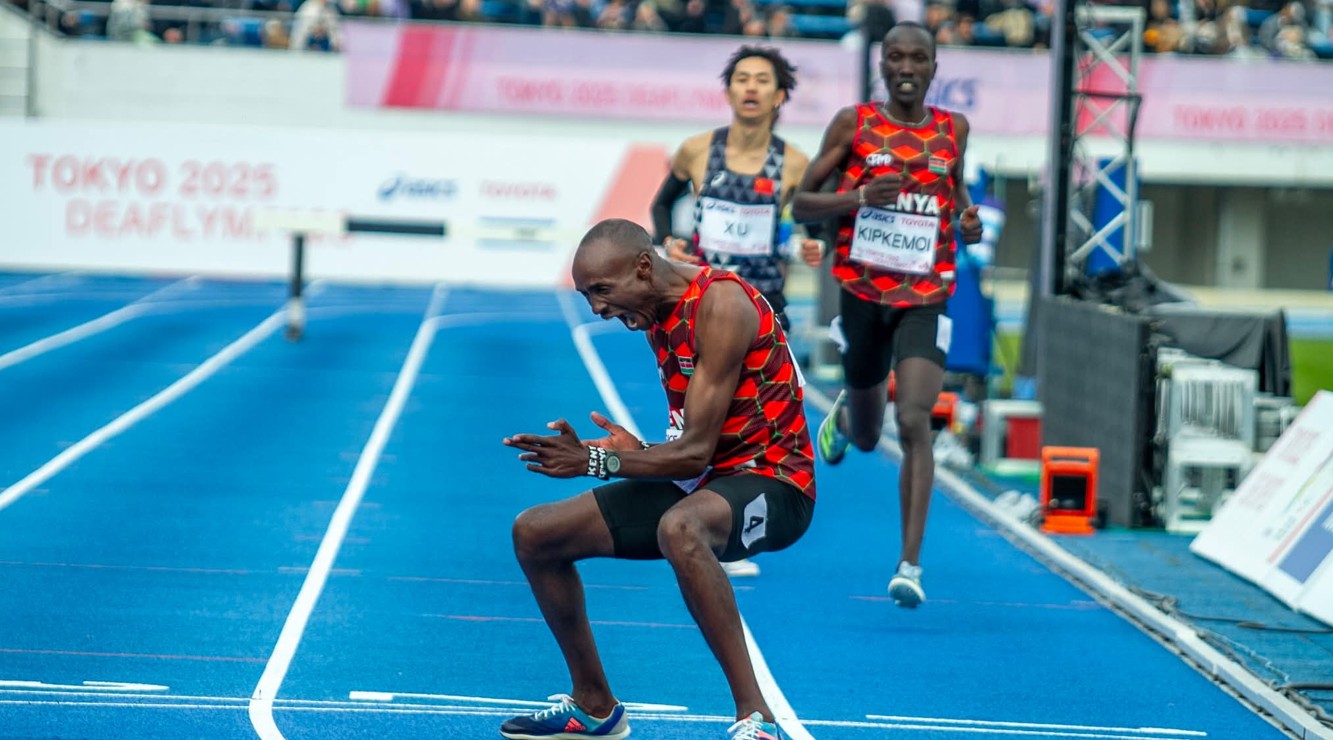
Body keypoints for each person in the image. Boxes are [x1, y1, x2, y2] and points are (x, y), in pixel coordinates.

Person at [500, 218, 815, 740]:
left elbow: (693, 455)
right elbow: (696, 443)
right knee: (535, 532)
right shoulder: (654, 313)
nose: (597, 309)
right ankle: (594, 705)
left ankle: (756, 721)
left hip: (776, 482)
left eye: (603, 291)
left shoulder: (721, 305)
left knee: (681, 528)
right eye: (586, 296)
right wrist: (641, 452)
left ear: (644, 267)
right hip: (710, 479)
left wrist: (594, 462)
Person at [791, 21, 983, 609]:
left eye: (917, 58)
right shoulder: (855, 123)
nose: (906, 66)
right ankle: (848, 419)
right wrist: (857, 198)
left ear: (933, 67)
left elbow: (954, 193)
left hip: (927, 295)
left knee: (915, 420)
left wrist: (969, 221)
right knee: (872, 436)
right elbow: (800, 204)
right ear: (882, 65)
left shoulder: (955, 129)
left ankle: (910, 564)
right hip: (864, 294)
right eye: (895, 57)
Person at [650, 44, 824, 578]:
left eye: (762, 81)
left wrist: (813, 243)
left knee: (759, 424)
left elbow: (812, 224)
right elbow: (662, 204)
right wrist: (668, 241)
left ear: (780, 96)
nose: (750, 88)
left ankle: (737, 516)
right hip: (703, 308)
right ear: (728, 91)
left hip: (767, 312)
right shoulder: (697, 150)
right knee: (702, 414)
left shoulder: (795, 163)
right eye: (741, 78)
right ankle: (708, 518)